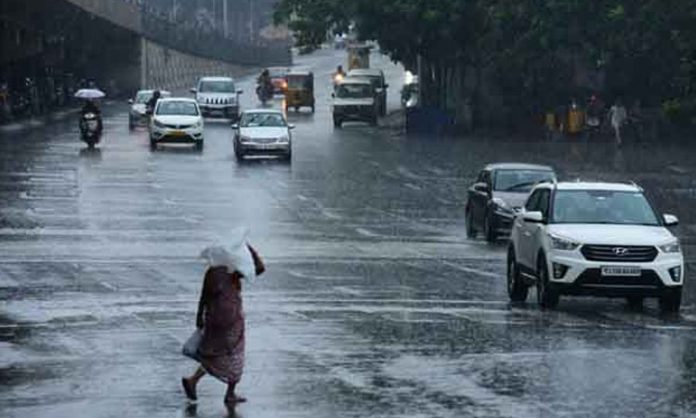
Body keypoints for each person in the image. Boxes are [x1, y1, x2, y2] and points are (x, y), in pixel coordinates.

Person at [182, 244, 265, 407]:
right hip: (231, 321)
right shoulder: (233, 271)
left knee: (215, 353)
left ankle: (193, 381)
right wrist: (250, 250)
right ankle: (229, 393)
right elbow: (260, 268)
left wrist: (199, 316)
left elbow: (203, 296)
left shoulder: (212, 272)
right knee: (234, 353)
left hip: (213, 319)